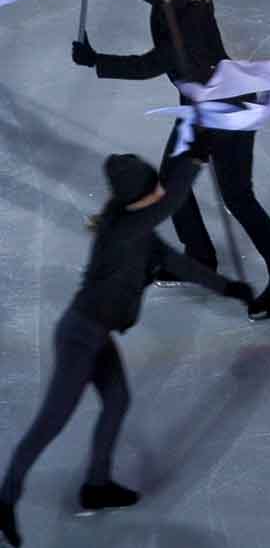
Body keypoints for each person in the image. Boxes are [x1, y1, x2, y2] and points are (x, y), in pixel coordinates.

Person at [0, 144, 252, 548]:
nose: (158, 192)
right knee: (50, 423)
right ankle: (6, 496)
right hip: (80, 336)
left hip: (95, 334)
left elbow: (179, 264)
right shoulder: (124, 229)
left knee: (116, 400)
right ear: (141, 195)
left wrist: (230, 289)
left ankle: (97, 485)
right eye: (153, 187)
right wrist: (194, 161)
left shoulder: (137, 229)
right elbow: (170, 201)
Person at [71, 0, 270, 320]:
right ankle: (200, 255)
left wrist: (96, 60)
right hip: (200, 105)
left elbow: (150, 64)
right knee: (171, 183)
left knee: (238, 197)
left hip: (227, 108)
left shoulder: (187, 22)